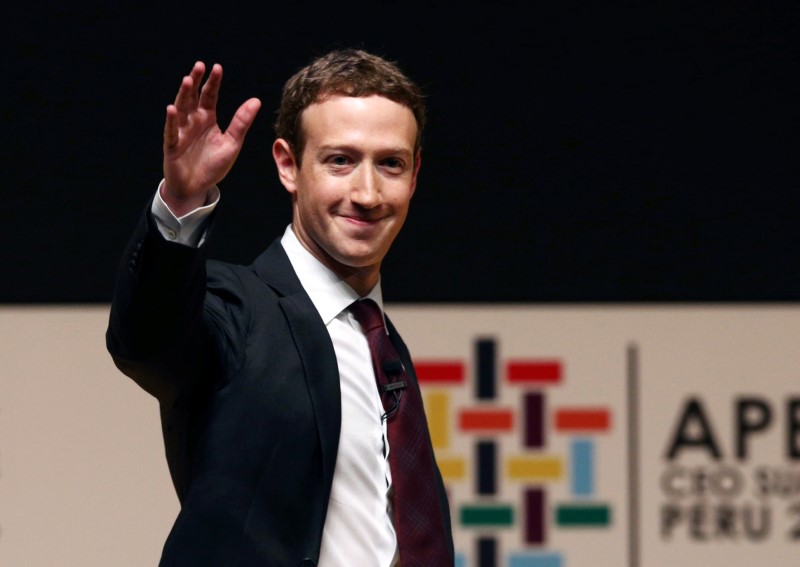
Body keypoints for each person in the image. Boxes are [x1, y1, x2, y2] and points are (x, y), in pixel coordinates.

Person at [106, 48, 454, 566]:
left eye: (390, 164)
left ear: (415, 174)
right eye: (340, 160)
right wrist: (180, 204)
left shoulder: (382, 348)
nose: (368, 192)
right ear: (288, 166)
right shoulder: (234, 308)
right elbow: (146, 340)